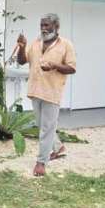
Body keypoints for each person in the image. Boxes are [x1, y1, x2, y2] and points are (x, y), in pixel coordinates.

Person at [16, 13, 76, 177]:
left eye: (47, 25)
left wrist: (55, 66)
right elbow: (22, 61)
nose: (43, 28)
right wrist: (22, 47)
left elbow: (71, 68)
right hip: (35, 90)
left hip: (52, 91)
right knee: (44, 125)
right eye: (41, 25)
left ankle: (41, 162)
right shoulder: (35, 43)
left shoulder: (65, 45)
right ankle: (59, 148)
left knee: (46, 128)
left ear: (56, 27)